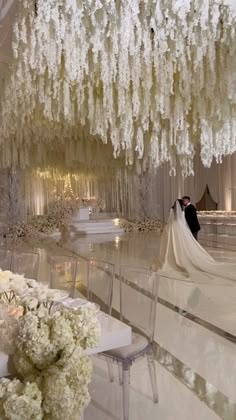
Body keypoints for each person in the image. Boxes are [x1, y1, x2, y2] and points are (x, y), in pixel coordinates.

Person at [158, 199, 236, 284]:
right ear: (181, 204)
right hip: (180, 227)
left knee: (173, 243)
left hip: (172, 227)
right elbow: (183, 221)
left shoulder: (172, 209)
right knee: (184, 243)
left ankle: (173, 256)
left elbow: (170, 220)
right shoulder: (183, 210)